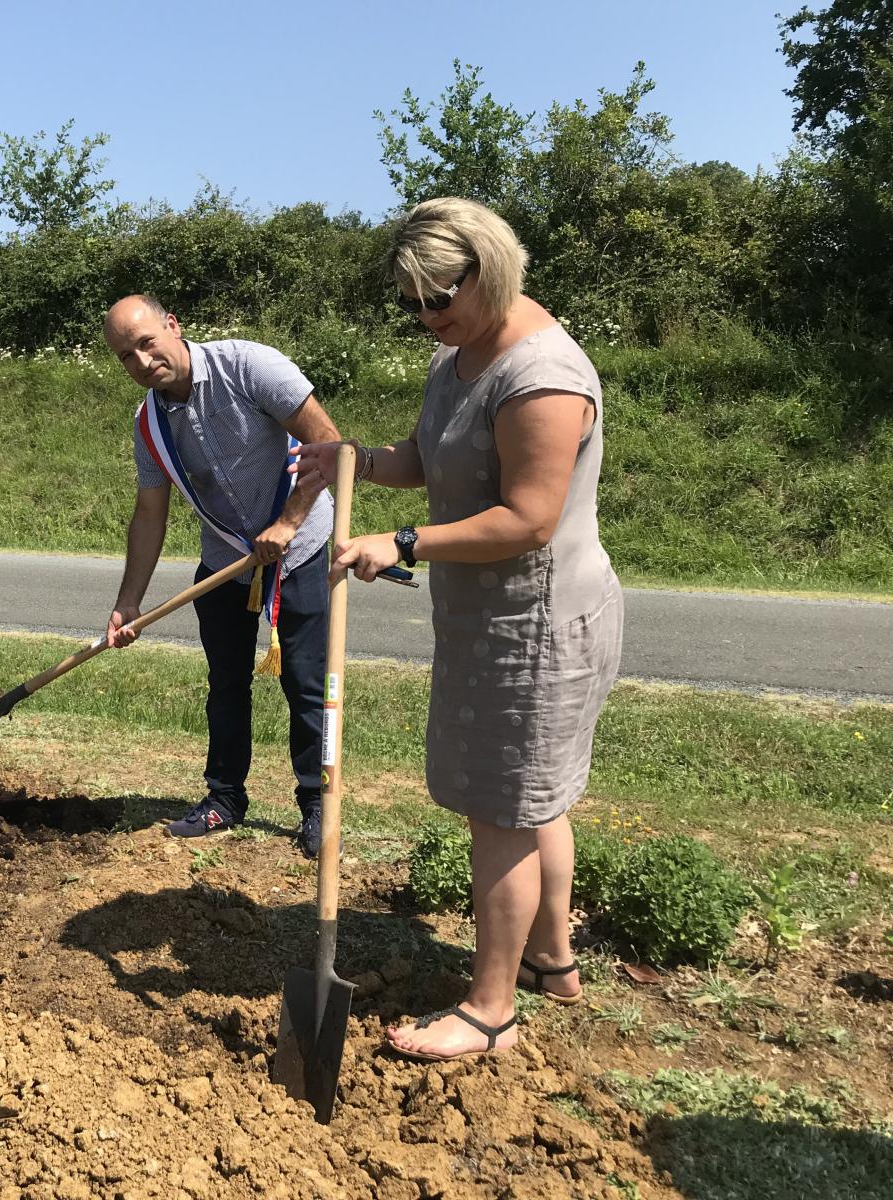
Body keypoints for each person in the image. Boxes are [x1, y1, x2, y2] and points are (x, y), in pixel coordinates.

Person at [293, 198, 624, 1061]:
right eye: (412, 304)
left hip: (538, 623)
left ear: (489, 264)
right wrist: (355, 460)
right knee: (532, 801)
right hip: (489, 618)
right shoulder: (461, 355)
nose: (427, 317)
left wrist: (398, 544)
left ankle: (490, 1010)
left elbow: (528, 518)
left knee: (502, 811)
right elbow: (429, 457)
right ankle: (552, 961)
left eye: (439, 296)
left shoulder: (540, 375)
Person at [102, 295, 341, 857]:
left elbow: (328, 443)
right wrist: (128, 602)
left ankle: (315, 805)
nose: (141, 361)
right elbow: (149, 514)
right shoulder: (150, 425)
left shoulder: (250, 366)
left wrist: (287, 523)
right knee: (226, 683)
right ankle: (224, 798)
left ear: (172, 325)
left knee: (306, 686)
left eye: (146, 342)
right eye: (126, 356)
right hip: (227, 560)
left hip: (300, 546)